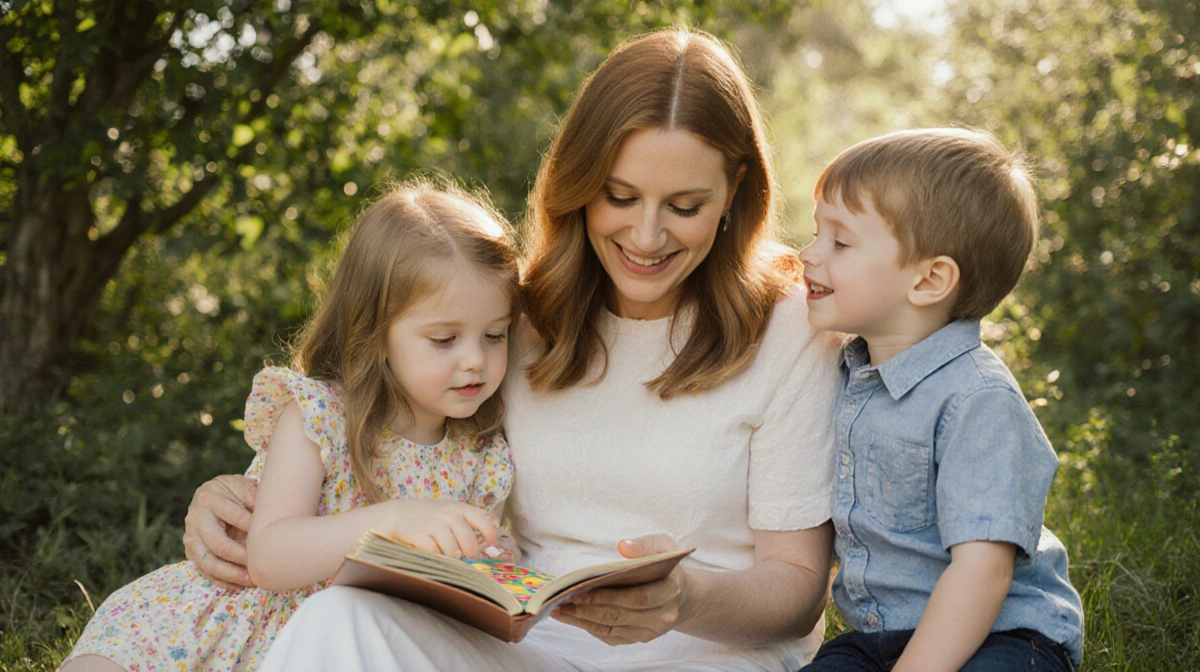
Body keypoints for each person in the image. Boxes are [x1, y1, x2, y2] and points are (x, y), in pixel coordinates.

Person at [184, 28, 844, 671]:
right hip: (527, 647)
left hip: (708, 653)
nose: (646, 236)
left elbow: (795, 588)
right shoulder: (511, 319)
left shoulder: (790, 326)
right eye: (619, 196)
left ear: (734, 187)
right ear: (580, 183)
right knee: (341, 619)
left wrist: (684, 599)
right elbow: (373, 432)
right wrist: (237, 494)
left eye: (684, 206)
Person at [60, 179, 522, 672]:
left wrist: (489, 560)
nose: (476, 359)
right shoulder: (319, 415)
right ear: (376, 333)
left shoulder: (480, 453)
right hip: (232, 624)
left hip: (351, 645)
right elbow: (269, 556)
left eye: (495, 335)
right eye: (445, 339)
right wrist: (393, 521)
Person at [797, 128, 1084, 672]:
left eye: (839, 242)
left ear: (929, 280)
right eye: (816, 233)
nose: (808, 254)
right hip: (879, 635)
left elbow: (984, 571)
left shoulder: (977, 399)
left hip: (1004, 634)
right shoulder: (847, 369)